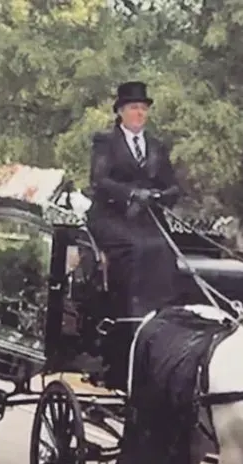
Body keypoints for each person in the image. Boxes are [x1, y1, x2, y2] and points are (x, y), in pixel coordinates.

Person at [88, 81, 183, 321]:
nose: (139, 113)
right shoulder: (105, 142)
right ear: (121, 111)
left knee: (165, 249)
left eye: (143, 108)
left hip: (147, 218)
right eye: (133, 107)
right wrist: (131, 193)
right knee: (135, 249)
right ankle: (124, 316)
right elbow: (99, 180)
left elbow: (172, 185)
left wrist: (160, 196)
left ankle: (162, 317)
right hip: (111, 215)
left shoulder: (157, 147)